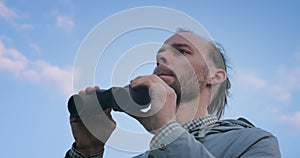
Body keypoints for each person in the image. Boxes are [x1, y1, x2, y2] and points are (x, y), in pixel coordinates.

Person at [65, 29, 281, 157]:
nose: (162, 59)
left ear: (215, 76)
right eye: (160, 56)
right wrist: (87, 151)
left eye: (182, 51)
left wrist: (167, 131)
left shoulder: (253, 141)